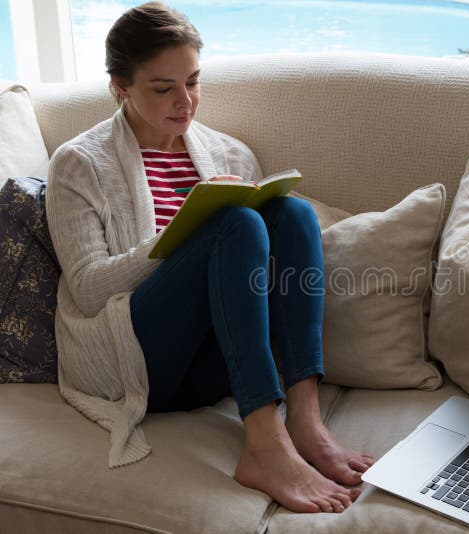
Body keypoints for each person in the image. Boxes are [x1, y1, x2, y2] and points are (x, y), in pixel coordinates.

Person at [45, 1, 373, 514]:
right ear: (119, 85)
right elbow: (88, 289)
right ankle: (264, 447)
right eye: (162, 88)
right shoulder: (78, 164)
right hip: (136, 360)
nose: (185, 102)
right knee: (234, 223)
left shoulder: (230, 155)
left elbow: (254, 280)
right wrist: (185, 231)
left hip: (219, 361)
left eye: (193, 82)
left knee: (292, 213)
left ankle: (305, 422)